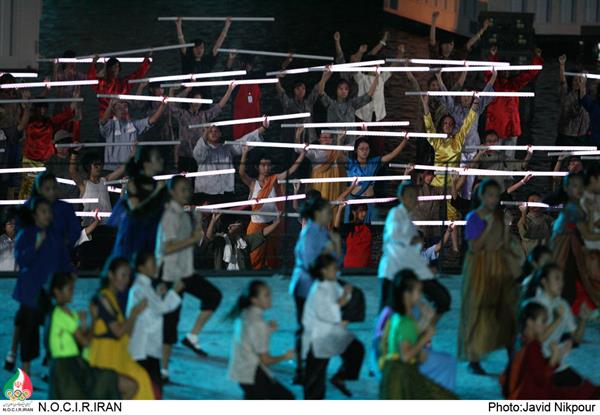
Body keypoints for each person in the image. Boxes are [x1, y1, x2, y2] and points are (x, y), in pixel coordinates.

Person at [156, 176, 222, 380]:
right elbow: (167, 247)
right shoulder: (169, 216)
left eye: (188, 188)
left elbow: (195, 243)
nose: (188, 192)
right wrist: (191, 239)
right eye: (183, 189)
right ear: (173, 192)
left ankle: (192, 337)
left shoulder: (183, 214)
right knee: (169, 324)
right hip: (169, 276)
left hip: (185, 273)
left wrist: (197, 223)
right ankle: (163, 370)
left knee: (213, 296)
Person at [458, 179, 522, 375]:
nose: (493, 199)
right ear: (482, 196)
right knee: (479, 313)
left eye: (496, 195)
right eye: (489, 195)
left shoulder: (499, 216)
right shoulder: (473, 217)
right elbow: (474, 247)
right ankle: (474, 359)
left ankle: (513, 356)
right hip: (479, 268)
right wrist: (488, 227)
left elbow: (502, 243)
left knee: (507, 311)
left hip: (498, 266)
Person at [12, 197, 72, 375]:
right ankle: (26, 371)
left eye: (49, 212)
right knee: (28, 329)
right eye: (43, 211)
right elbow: (21, 260)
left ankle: (50, 365)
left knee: (55, 324)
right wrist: (36, 245)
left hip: (48, 292)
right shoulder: (27, 234)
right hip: (30, 293)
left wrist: (70, 276)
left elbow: (63, 262)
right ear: (35, 214)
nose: (48, 215)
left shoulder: (55, 237)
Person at [378, 182, 451, 321]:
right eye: (410, 196)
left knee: (443, 299)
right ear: (401, 197)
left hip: (409, 270)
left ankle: (424, 331)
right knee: (388, 312)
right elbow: (395, 236)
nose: (413, 199)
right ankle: (384, 339)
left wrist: (426, 267)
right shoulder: (395, 215)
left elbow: (412, 252)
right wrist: (412, 241)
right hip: (392, 271)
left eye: (415, 196)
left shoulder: (409, 222)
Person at [378, 270, 456, 399]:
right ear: (407, 294)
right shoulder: (405, 321)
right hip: (402, 373)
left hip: (395, 369)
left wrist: (426, 317)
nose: (421, 295)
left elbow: (411, 335)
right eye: (418, 292)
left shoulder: (399, 315)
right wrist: (426, 337)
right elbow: (406, 356)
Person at [289, 197, 341, 385]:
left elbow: (335, 261)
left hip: (314, 287)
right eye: (327, 211)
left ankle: (305, 367)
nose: (330, 214)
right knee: (306, 328)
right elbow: (315, 264)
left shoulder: (320, 232)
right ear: (318, 213)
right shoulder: (311, 233)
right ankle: (300, 369)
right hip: (305, 287)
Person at [501, 302, 599, 399]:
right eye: (543, 321)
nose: (545, 326)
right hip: (529, 395)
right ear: (530, 322)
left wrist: (558, 356)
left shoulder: (520, 342)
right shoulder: (531, 347)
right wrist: (554, 358)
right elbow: (542, 379)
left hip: (524, 393)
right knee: (583, 393)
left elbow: (536, 368)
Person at [88, 257, 154, 399]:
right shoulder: (103, 299)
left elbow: (127, 333)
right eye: (123, 275)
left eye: (128, 276)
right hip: (105, 359)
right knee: (136, 384)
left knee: (142, 379)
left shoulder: (114, 299)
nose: (126, 280)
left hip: (119, 355)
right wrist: (134, 314)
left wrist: (134, 316)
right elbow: (118, 332)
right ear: (111, 275)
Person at [48, 272, 120, 399]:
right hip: (65, 367)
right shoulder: (61, 315)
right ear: (57, 292)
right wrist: (94, 319)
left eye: (72, 288)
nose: (72, 292)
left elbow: (81, 336)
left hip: (73, 363)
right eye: (69, 289)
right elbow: (86, 342)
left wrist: (85, 323)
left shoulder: (68, 313)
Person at [303, 254, 364, 399]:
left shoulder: (333, 283)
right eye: (333, 269)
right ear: (324, 271)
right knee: (315, 385)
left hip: (332, 333)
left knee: (356, 350)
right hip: (317, 338)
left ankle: (340, 377)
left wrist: (347, 296)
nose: (336, 271)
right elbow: (325, 312)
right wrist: (342, 302)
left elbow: (342, 298)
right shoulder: (317, 289)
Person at [523, 263, 592, 384]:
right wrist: (557, 319)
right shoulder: (533, 305)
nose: (561, 283)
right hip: (534, 363)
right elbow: (536, 341)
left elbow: (576, 338)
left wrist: (582, 320)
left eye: (562, 279)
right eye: (557, 278)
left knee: (586, 391)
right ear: (544, 282)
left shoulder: (563, 304)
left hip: (554, 360)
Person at [226, 280, 295, 400]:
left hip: (242, 371)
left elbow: (250, 335)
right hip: (253, 374)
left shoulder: (245, 313)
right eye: (266, 295)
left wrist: (267, 329)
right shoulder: (258, 323)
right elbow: (266, 360)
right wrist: (285, 356)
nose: (271, 298)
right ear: (254, 300)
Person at [127, 251, 183, 399]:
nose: (156, 266)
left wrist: (158, 295)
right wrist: (175, 292)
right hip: (144, 349)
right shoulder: (140, 288)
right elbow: (158, 310)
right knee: (151, 392)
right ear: (141, 267)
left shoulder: (144, 286)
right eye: (152, 263)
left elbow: (151, 309)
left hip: (147, 348)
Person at [239, 147, 305, 269]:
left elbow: (290, 171)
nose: (266, 167)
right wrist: (244, 154)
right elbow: (241, 173)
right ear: (257, 167)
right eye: (263, 165)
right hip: (256, 227)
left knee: (272, 260)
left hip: (273, 225)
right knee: (254, 259)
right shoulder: (253, 183)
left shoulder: (274, 179)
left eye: (268, 165)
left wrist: (303, 154)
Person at [436, 70, 497, 200]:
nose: (466, 98)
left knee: (468, 187)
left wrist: (494, 76)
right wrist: (439, 79)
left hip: (472, 151)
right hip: (457, 151)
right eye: (463, 95)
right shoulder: (454, 109)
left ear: (472, 97)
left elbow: (486, 94)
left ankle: (464, 212)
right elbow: (446, 97)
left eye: (468, 96)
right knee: (454, 184)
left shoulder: (476, 109)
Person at [421, 93, 480, 220]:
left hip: (453, 183)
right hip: (437, 182)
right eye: (445, 123)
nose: (448, 125)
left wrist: (475, 104)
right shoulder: (436, 141)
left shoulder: (457, 140)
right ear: (442, 126)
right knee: (431, 212)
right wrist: (425, 105)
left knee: (452, 215)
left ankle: (454, 238)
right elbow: (429, 127)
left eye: (450, 123)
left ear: (453, 126)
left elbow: (467, 124)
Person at [550, 173, 600, 313]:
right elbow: (587, 234)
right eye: (574, 186)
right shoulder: (572, 209)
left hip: (570, 250)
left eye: (581, 186)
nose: (579, 189)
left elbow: (587, 230)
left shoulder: (577, 207)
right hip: (566, 253)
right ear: (566, 188)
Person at [484, 46, 543, 160]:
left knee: (509, 160)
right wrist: (492, 56)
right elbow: (488, 72)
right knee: (493, 160)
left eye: (508, 69)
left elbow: (530, 74)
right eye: (504, 69)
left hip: (511, 129)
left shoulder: (514, 83)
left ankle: (508, 177)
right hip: (497, 130)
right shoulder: (494, 83)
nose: (506, 71)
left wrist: (537, 58)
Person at [110, 146, 167, 261]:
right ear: (147, 164)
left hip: (152, 234)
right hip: (133, 235)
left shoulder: (158, 185)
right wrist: (156, 193)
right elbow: (136, 211)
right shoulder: (134, 184)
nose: (162, 160)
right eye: (157, 158)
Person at [192, 121, 267, 204]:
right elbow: (197, 154)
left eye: (216, 131)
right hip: (205, 193)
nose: (213, 133)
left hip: (225, 193)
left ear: (220, 133)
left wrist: (263, 128)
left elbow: (244, 141)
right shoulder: (202, 149)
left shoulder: (227, 148)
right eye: (210, 131)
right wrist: (206, 132)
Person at [19, 95, 77, 199]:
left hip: (46, 161)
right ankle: (26, 212)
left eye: (45, 108)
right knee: (27, 188)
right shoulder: (29, 122)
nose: (43, 111)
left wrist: (75, 97)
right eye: (40, 108)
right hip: (29, 160)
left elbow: (67, 114)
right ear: (36, 109)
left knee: (45, 188)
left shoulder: (50, 122)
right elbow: (21, 125)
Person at [170, 84, 235, 173]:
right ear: (190, 101)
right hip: (184, 154)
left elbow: (219, 107)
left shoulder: (203, 116)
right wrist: (183, 91)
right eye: (195, 100)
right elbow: (172, 106)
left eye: (200, 101)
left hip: (198, 155)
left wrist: (229, 90)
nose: (198, 103)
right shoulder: (183, 115)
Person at [344, 136, 410, 222]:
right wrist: (340, 140)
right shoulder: (351, 163)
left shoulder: (373, 163)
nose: (364, 151)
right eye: (362, 149)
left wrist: (405, 141)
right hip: (354, 201)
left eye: (367, 149)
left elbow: (391, 155)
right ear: (356, 150)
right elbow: (338, 155)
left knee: (370, 230)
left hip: (370, 201)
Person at [99, 98, 166, 171]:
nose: (122, 110)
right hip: (111, 169)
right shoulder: (111, 125)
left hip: (129, 169)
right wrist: (110, 105)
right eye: (119, 108)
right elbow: (103, 121)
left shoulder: (134, 124)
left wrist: (163, 105)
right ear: (114, 111)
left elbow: (152, 120)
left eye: (125, 107)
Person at [206, 212, 282, 271]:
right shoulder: (220, 241)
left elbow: (262, 234)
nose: (241, 225)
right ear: (230, 226)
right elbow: (208, 239)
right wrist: (213, 221)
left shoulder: (244, 241)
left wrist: (277, 222)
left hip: (242, 279)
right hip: (224, 280)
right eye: (238, 223)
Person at [69, 150, 125, 226]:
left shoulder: (104, 181)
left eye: (100, 165)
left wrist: (132, 154)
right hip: (90, 225)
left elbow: (122, 169)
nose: (99, 167)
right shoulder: (84, 184)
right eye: (96, 165)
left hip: (107, 224)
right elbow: (72, 171)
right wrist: (74, 154)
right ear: (88, 167)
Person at [295, 128, 347, 202]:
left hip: (333, 185)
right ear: (319, 139)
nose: (326, 139)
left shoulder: (336, 151)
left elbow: (341, 159)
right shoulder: (315, 153)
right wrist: (298, 135)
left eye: (329, 137)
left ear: (332, 140)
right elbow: (297, 149)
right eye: (324, 137)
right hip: (318, 185)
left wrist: (340, 141)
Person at [275, 58, 320, 142]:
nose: (301, 91)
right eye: (298, 88)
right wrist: (279, 75)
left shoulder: (308, 103)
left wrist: (325, 75)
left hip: (309, 139)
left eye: (303, 88)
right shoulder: (289, 103)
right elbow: (280, 90)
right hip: (291, 138)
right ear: (294, 90)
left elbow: (317, 89)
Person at [51, 50, 86, 141]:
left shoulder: (78, 75)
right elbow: (54, 84)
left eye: (74, 60)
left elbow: (91, 78)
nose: (73, 63)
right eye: (70, 60)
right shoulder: (60, 75)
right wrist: (55, 67)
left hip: (75, 112)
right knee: (60, 136)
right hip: (62, 110)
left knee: (74, 139)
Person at [556, 56, 589, 147]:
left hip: (581, 135)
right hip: (567, 135)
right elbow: (563, 82)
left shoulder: (586, 96)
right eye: (576, 80)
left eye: (580, 81)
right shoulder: (567, 95)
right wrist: (562, 65)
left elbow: (584, 98)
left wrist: (584, 81)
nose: (578, 83)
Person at [579, 75, 600, 146]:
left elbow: (583, 98)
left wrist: (583, 83)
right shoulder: (595, 106)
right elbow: (584, 98)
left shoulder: (594, 106)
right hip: (593, 140)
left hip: (593, 140)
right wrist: (583, 83)